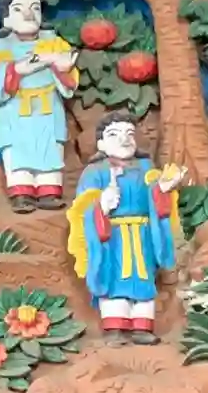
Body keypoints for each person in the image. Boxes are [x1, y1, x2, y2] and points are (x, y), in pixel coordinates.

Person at [67, 113, 185, 342]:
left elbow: (156, 198)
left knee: (143, 277)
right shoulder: (95, 172)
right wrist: (102, 204)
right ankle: (115, 326)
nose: (124, 139)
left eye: (129, 134)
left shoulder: (146, 168)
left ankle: (142, 326)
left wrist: (162, 190)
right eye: (114, 134)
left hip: (142, 235)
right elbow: (82, 208)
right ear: (101, 143)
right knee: (114, 277)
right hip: (112, 238)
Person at [0, 0, 78, 212]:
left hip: (48, 109)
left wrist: (62, 68)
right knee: (17, 153)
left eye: (35, 8)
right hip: (15, 110)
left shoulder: (55, 44)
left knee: (50, 151)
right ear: (7, 18)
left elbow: (70, 83)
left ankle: (49, 192)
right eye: (19, 10)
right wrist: (20, 69)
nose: (29, 14)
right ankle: (22, 193)